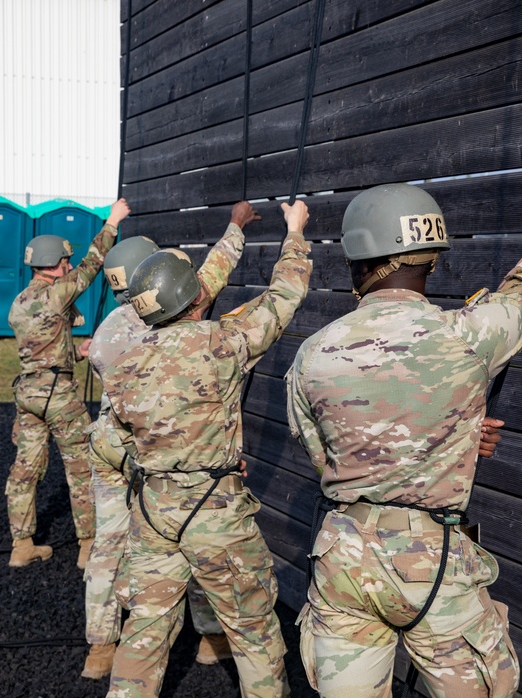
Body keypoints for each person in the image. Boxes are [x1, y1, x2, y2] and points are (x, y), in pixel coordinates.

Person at [285, 147, 522, 697]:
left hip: (343, 557)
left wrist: (448, 436)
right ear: (432, 258)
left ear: (358, 264)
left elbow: (322, 451)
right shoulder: (470, 334)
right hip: (436, 561)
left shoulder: (313, 352)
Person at [101, 200, 313, 698]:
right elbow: (285, 294)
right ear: (196, 296)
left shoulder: (124, 364)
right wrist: (295, 233)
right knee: (254, 631)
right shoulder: (225, 342)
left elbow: (111, 446)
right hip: (215, 511)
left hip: (153, 512)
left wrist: (160, 461)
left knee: (145, 630)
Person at [81, 202, 261, 679]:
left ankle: (101, 648)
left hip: (111, 438)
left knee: (110, 542)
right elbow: (212, 274)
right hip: (157, 442)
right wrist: (236, 227)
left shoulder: (104, 335)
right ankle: (209, 635)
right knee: (194, 520)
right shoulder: (165, 313)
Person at [5, 199, 130, 568]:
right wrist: (112, 223)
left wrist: (76, 352)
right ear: (54, 266)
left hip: (27, 393)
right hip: (59, 396)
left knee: (24, 472)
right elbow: (92, 267)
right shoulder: (56, 294)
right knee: (81, 468)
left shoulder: (20, 302)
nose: (70, 267)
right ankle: (88, 546)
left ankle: (21, 545)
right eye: (65, 263)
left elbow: (38, 349)